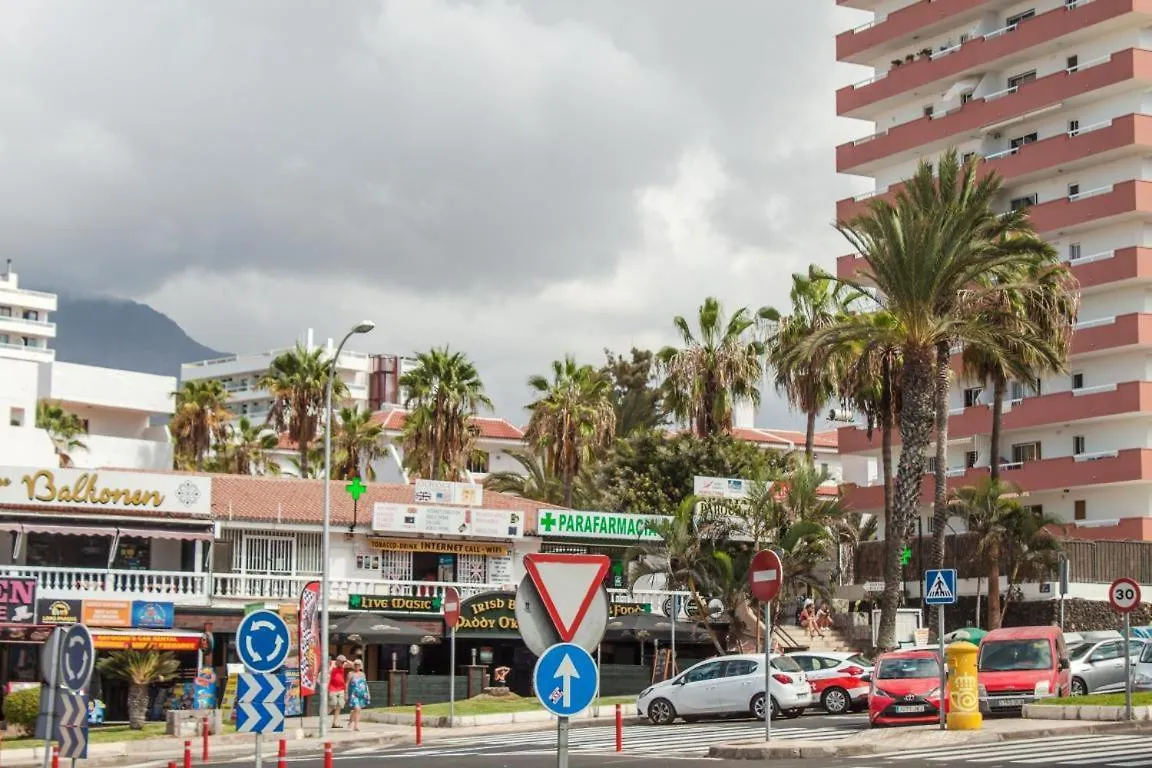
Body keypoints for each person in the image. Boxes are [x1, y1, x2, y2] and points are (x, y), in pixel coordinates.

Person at [347, 659, 370, 731]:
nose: (357, 666)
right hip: (354, 694)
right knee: (357, 708)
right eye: (356, 665)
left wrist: (368, 693)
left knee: (358, 710)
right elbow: (347, 684)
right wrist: (346, 693)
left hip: (362, 694)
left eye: (358, 665)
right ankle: (353, 723)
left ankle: (355, 724)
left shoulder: (362, 674)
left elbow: (365, 684)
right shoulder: (350, 673)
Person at [328, 654, 348, 728]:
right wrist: (333, 665)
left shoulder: (342, 666)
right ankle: (323, 714)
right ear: (338, 661)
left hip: (341, 689)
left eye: (343, 662)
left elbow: (352, 665)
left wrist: (346, 661)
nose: (343, 663)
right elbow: (328, 671)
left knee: (339, 705)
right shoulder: (332, 665)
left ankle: (335, 723)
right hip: (332, 688)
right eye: (341, 662)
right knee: (333, 704)